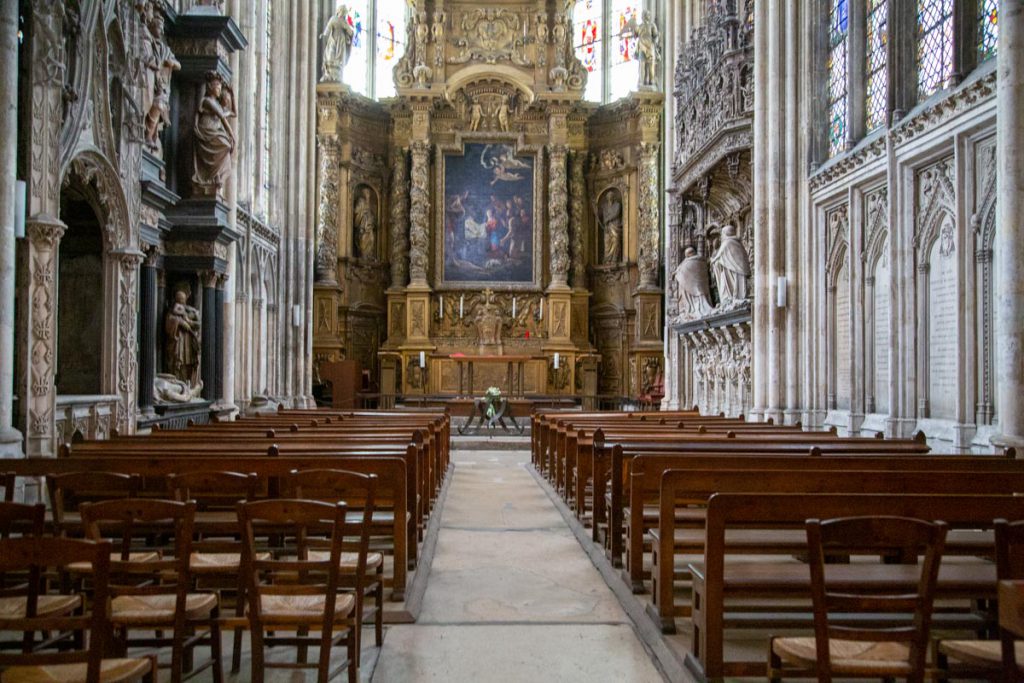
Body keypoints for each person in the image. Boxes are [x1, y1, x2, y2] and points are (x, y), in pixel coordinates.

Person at [191, 72, 235, 195]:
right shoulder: (207, 101)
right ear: (210, 87)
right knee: (225, 144)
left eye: (220, 87)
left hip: (215, 130)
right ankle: (208, 177)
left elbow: (232, 113)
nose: (219, 90)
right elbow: (222, 117)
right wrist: (232, 135)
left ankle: (215, 177)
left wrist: (232, 94)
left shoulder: (217, 104)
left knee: (228, 163)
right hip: (207, 130)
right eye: (217, 86)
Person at [164, 289, 201, 387]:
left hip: (188, 341)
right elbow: (169, 321)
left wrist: (190, 322)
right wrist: (180, 322)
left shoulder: (191, 310)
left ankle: (187, 384)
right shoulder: (173, 310)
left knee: (188, 363)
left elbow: (199, 325)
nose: (181, 301)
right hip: (178, 341)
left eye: (183, 299)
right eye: (179, 299)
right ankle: (177, 385)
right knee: (177, 363)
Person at [710, 225, 751, 305]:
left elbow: (719, 258)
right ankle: (732, 298)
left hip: (730, 271)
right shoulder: (738, 244)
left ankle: (731, 298)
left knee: (728, 289)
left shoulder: (727, 243)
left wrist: (713, 260)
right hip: (733, 270)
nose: (721, 236)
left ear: (725, 233)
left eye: (722, 234)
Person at [321, 5, 355, 82]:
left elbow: (350, 32)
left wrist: (347, 28)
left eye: (345, 13)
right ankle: (329, 74)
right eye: (342, 12)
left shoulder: (344, 22)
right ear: (338, 11)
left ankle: (337, 75)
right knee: (330, 56)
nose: (343, 14)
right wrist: (324, 35)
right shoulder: (333, 19)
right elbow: (328, 29)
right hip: (333, 40)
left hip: (341, 42)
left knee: (340, 59)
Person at [354, 187, 377, 259]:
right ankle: (363, 255)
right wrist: (363, 212)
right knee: (362, 240)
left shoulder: (371, 204)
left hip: (369, 227)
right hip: (362, 226)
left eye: (368, 193)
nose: (367, 194)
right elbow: (355, 211)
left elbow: (373, 215)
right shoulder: (361, 201)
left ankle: (369, 254)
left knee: (371, 239)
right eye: (366, 193)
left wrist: (372, 219)